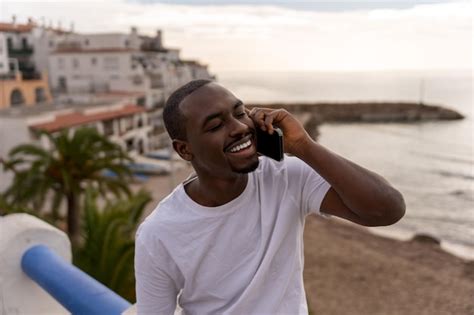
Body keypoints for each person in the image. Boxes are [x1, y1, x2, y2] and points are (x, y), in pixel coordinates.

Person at [134, 79, 405, 314]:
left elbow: (387, 210)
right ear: (184, 150)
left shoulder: (285, 176)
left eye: (240, 113)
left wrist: (303, 146)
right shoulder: (158, 233)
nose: (239, 127)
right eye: (216, 126)